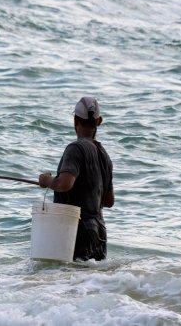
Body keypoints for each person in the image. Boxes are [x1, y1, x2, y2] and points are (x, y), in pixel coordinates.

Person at [38, 97, 114, 261]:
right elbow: (108, 201)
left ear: (75, 120)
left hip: (77, 232)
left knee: (70, 282)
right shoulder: (105, 156)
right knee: (92, 284)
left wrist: (47, 181)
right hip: (100, 233)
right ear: (99, 121)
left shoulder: (75, 148)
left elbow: (64, 184)